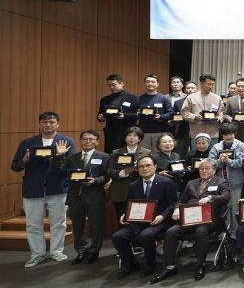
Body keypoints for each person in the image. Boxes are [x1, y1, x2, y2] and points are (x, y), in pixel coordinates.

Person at [11, 111, 76, 267]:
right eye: (44, 122)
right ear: (39, 124)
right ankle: (37, 254)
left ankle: (56, 251)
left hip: (58, 189)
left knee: (59, 223)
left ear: (58, 124)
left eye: (51, 122)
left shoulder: (66, 141)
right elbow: (15, 166)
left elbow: (72, 166)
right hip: (33, 189)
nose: (48, 125)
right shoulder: (27, 143)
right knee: (33, 224)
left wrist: (59, 156)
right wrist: (25, 160)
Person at [151, 158, 230, 283]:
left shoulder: (221, 182)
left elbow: (225, 197)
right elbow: (181, 200)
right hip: (190, 218)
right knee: (171, 231)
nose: (203, 171)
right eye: (201, 168)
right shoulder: (191, 183)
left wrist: (210, 197)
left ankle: (200, 265)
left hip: (209, 220)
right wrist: (177, 209)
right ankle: (169, 267)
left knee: (200, 231)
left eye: (207, 168)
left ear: (214, 170)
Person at [112, 155, 178, 278]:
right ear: (137, 169)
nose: (145, 168)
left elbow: (173, 203)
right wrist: (125, 215)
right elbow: (130, 205)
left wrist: (162, 216)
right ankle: (130, 263)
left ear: (155, 166)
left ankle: (150, 264)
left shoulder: (166, 182)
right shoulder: (133, 185)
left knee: (145, 235)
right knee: (118, 236)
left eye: (148, 165)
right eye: (141, 166)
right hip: (139, 221)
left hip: (161, 221)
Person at [60, 130, 110, 265]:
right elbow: (62, 171)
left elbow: (106, 176)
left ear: (97, 142)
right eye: (85, 139)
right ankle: (81, 251)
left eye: (91, 139)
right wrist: (60, 156)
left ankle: (94, 252)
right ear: (80, 141)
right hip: (75, 197)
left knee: (97, 226)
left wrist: (95, 180)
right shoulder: (73, 158)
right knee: (77, 227)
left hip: (95, 196)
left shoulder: (104, 156)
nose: (88, 141)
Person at [209, 123, 244, 232]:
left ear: (235, 134)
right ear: (222, 135)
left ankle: (236, 233)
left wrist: (228, 161)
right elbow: (211, 164)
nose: (229, 137)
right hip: (221, 184)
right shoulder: (216, 147)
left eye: (231, 134)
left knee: (236, 208)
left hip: (237, 183)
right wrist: (219, 161)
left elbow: (241, 163)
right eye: (226, 134)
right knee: (223, 209)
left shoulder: (242, 146)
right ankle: (225, 233)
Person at [108, 127, 152, 221]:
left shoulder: (146, 153)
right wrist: (124, 172)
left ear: (139, 139)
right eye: (129, 135)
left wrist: (140, 169)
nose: (132, 138)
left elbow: (151, 171)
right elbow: (110, 172)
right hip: (120, 192)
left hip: (140, 190)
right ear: (125, 138)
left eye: (135, 136)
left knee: (139, 219)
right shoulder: (116, 152)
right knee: (121, 220)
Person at [96, 73, 138, 153]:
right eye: (109, 85)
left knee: (126, 154)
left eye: (113, 85)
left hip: (127, 131)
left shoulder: (133, 98)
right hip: (110, 132)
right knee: (110, 154)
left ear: (121, 84)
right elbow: (100, 114)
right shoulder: (105, 99)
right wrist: (100, 117)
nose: (111, 87)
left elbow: (137, 115)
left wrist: (124, 116)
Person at [181, 73, 225, 147]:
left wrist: (218, 119)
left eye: (212, 84)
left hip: (213, 133)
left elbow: (221, 113)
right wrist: (194, 117)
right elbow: (184, 112)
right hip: (196, 133)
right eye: (209, 84)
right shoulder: (191, 98)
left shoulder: (217, 98)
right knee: (196, 154)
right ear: (201, 83)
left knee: (212, 154)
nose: (211, 86)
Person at [137, 74, 174, 151]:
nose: (150, 84)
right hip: (144, 132)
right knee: (144, 154)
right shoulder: (140, 98)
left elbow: (170, 113)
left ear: (157, 84)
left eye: (153, 82)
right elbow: (136, 113)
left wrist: (160, 116)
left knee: (159, 154)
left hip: (160, 132)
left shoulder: (164, 98)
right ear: (145, 84)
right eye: (148, 82)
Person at [170, 80, 197, 158]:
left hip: (197, 130)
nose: (190, 90)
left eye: (192, 88)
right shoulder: (178, 102)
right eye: (188, 88)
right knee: (180, 154)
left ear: (196, 89)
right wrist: (172, 121)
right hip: (182, 131)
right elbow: (175, 116)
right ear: (185, 90)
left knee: (195, 154)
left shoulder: (201, 101)